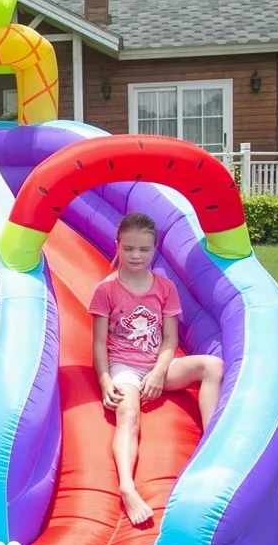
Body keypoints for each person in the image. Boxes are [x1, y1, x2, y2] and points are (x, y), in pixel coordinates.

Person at [89, 211, 224, 527]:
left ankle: (214, 443)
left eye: (144, 249)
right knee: (128, 413)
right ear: (117, 245)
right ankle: (127, 486)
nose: (136, 256)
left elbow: (170, 339)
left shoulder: (164, 287)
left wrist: (160, 372)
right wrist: (105, 380)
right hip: (124, 367)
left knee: (212, 365)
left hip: (157, 364)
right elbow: (98, 343)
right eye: (128, 248)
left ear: (155, 249)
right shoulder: (106, 290)